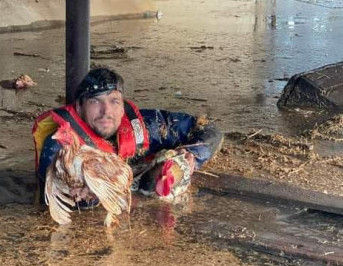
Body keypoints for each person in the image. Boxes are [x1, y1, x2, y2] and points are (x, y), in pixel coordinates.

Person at [32, 67, 223, 203]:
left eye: (114, 101)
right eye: (95, 102)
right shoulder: (60, 145)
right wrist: (92, 193)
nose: (106, 111)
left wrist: (193, 155)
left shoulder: (147, 126)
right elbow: (55, 201)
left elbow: (207, 129)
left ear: (123, 106)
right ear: (79, 107)